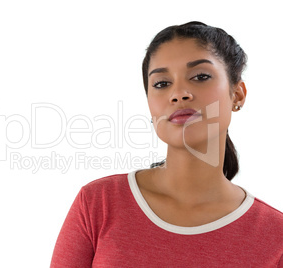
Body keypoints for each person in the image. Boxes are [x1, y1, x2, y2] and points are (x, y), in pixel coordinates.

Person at [50, 21, 283, 267]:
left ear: (237, 95)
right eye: (161, 83)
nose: (179, 93)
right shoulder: (98, 203)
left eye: (200, 76)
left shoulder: (276, 236)